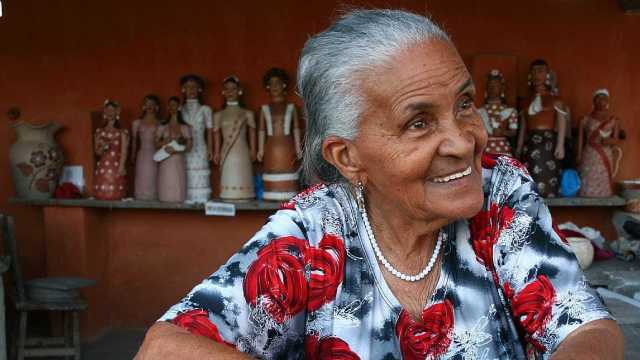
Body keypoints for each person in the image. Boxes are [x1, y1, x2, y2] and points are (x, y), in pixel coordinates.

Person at [136, 10, 623, 360]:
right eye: (419, 123)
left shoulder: (499, 193)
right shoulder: (312, 231)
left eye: (465, 104)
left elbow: (587, 329)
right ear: (348, 158)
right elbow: (166, 348)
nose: (463, 141)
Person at [516, 59, 569, 198]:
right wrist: (519, 147)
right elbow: (523, 126)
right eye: (533, 71)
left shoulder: (556, 100)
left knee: (548, 178)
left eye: (540, 70)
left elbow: (562, 122)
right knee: (529, 181)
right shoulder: (526, 102)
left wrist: (560, 145)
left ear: (548, 74)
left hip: (548, 144)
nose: (536, 74)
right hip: (530, 143)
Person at [257, 68, 303, 201]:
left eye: (278, 83)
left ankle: (287, 193)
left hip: (288, 147)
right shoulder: (264, 109)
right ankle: (272, 192)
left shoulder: (292, 108)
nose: (274, 86)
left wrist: (298, 148)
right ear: (267, 87)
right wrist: (260, 149)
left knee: (288, 171)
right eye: (271, 83)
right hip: (270, 147)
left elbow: (296, 130)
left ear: (284, 85)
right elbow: (261, 131)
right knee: (272, 170)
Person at [212, 76, 257, 201]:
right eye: (227, 89)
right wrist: (216, 152)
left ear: (239, 91)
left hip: (242, 151)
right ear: (223, 92)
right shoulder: (218, 115)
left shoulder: (248, 113)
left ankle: (244, 194)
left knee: (242, 175)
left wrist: (254, 150)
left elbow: (253, 133)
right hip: (226, 153)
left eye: (233, 88)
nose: (230, 92)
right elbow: (216, 135)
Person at [577, 89, 623, 197]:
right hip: (590, 153)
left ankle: (604, 195)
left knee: (603, 176)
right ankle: (586, 195)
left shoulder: (614, 120)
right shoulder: (585, 119)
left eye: (604, 98)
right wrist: (578, 154)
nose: (601, 100)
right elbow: (580, 139)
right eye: (598, 98)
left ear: (608, 102)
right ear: (593, 101)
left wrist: (609, 141)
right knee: (589, 174)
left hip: (605, 153)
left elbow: (615, 140)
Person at [180, 74, 214, 203]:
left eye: (194, 87)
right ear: (183, 89)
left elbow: (210, 131)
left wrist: (211, 149)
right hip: (184, 147)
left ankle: (201, 199)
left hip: (200, 146)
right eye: (188, 87)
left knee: (200, 173)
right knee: (185, 172)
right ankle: (186, 197)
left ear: (199, 89)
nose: (191, 90)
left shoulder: (205, 109)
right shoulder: (180, 109)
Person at [156, 96, 192, 203]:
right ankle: (164, 197)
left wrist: (176, 151)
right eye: (170, 105)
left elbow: (189, 147)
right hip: (165, 158)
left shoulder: (184, 127)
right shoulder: (163, 126)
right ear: (167, 107)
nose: (172, 107)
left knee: (177, 180)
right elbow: (156, 143)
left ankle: (178, 198)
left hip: (178, 159)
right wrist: (164, 143)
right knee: (166, 180)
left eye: (174, 105)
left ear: (179, 107)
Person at [94, 100, 129, 200]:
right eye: (107, 110)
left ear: (117, 112)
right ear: (104, 112)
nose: (110, 113)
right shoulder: (99, 131)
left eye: (112, 110)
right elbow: (97, 152)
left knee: (115, 193)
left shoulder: (122, 131)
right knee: (102, 193)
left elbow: (124, 151)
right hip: (103, 165)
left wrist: (121, 167)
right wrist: (103, 146)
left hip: (116, 165)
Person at [478, 69, 518, 155]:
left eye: (496, 85)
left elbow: (513, 132)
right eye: (490, 85)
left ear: (502, 88)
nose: (492, 88)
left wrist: (502, 133)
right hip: (485, 150)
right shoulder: (479, 111)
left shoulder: (511, 111)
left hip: (503, 149)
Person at [131, 94, 161, 200]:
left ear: (157, 107)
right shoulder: (137, 123)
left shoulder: (160, 123)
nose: (150, 106)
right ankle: (141, 197)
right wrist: (133, 155)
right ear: (143, 106)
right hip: (142, 153)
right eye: (147, 104)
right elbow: (134, 140)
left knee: (153, 175)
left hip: (156, 153)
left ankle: (154, 197)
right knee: (142, 176)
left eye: (152, 104)